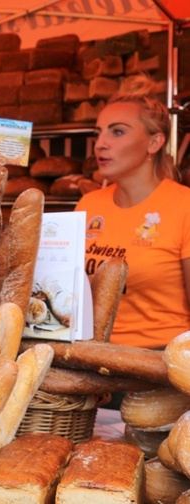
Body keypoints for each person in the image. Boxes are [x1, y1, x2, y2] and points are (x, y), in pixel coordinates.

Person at [75, 74, 190, 350]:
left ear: (154, 143)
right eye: (98, 132)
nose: (101, 143)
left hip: (160, 365)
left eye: (117, 131)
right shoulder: (88, 205)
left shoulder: (183, 207)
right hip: (92, 359)